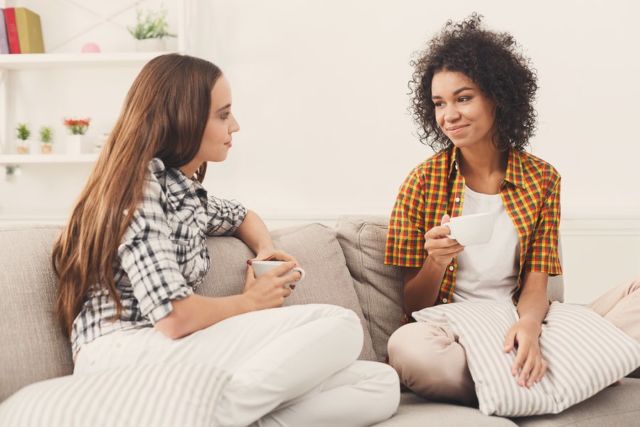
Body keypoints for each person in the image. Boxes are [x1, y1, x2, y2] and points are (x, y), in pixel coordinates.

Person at [52, 53, 400, 427]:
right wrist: (251, 302)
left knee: (379, 383)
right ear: (183, 118)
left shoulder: (181, 191)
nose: (235, 126)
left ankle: (229, 415)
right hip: (123, 355)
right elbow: (173, 316)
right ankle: (214, 416)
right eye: (223, 114)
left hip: (168, 355)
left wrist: (265, 249)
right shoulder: (139, 189)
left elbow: (242, 216)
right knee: (342, 324)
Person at [384, 14, 640, 405]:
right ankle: (571, 375)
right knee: (408, 348)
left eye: (463, 98)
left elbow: (536, 284)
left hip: (522, 318)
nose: (449, 115)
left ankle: (520, 376)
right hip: (456, 331)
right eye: (439, 103)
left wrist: (530, 327)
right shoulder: (421, 182)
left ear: (498, 97)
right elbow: (413, 304)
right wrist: (435, 262)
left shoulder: (542, 179)